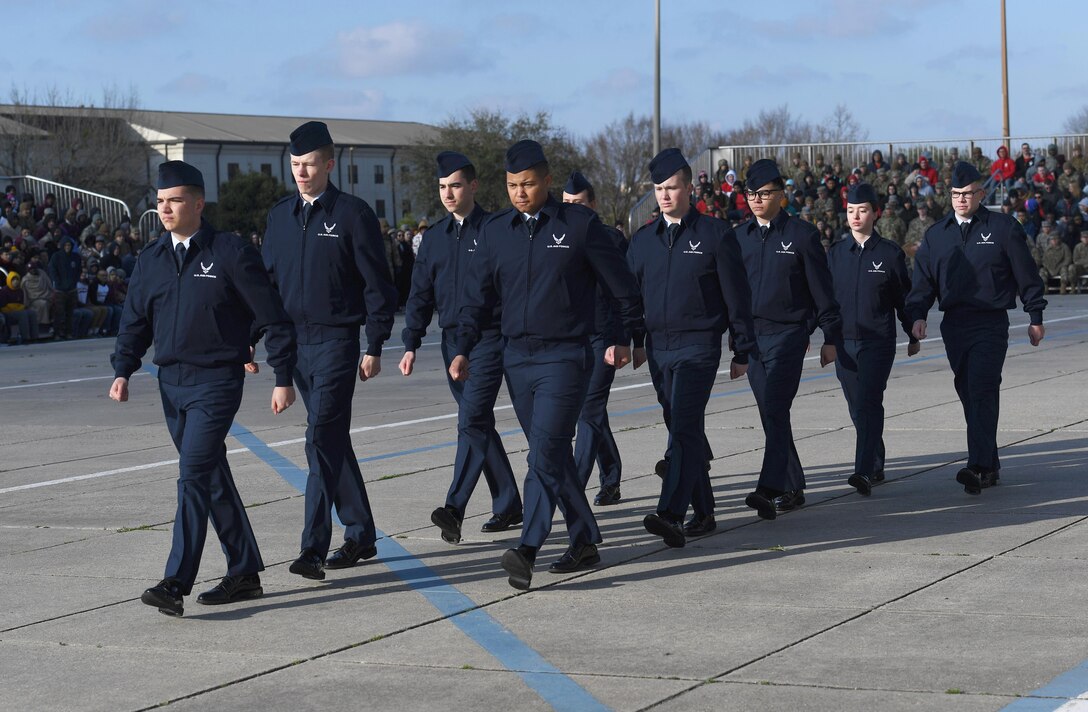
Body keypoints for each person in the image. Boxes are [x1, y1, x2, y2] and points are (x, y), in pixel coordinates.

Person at [449, 140, 642, 590]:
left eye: (529, 184)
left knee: (542, 452)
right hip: (517, 359)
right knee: (553, 454)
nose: (520, 192)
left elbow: (623, 287)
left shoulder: (579, 226)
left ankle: (528, 547)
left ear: (547, 181)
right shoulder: (496, 232)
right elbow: (478, 300)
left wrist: (625, 337)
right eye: (513, 185)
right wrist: (461, 347)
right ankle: (585, 538)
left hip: (565, 357)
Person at [110, 161, 297, 616]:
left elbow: (270, 313)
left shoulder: (229, 252)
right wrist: (123, 369)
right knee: (210, 476)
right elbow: (134, 321)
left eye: (174, 200)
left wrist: (283, 375)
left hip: (216, 381)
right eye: (159, 202)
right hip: (171, 383)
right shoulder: (151, 260)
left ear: (197, 203)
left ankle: (175, 582)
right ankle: (245, 571)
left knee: (192, 475)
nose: (165, 209)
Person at [258, 121, 399, 580]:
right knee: (332, 439)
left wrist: (374, 343)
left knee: (318, 439)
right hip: (295, 346)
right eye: (295, 165)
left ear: (329, 164)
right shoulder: (279, 218)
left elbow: (379, 286)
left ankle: (313, 549)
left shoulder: (353, 215)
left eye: (309, 164)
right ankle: (360, 535)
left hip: (338, 341)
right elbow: (266, 289)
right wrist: (252, 339)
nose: (300, 173)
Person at [627, 149, 755, 547]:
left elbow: (737, 296)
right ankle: (705, 510)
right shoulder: (643, 241)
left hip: (699, 346)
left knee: (682, 426)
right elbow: (630, 297)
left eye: (672, 188)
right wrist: (634, 341)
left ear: (689, 188)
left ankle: (671, 513)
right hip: (658, 348)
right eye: (659, 189)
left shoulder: (715, 235)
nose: (665, 196)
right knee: (683, 428)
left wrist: (742, 348)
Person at [399, 151, 523, 544]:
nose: (448, 194)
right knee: (478, 424)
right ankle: (508, 504)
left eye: (454, 185)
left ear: (473, 185)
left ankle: (454, 508)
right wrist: (411, 342)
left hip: (488, 339)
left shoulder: (495, 230)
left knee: (470, 420)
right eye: (442, 187)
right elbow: (419, 294)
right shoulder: (433, 237)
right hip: (451, 340)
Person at [907, 161, 1046, 495]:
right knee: (968, 392)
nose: (961, 200)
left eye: (968, 194)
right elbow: (922, 283)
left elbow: (1026, 274)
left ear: (981, 193)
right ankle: (991, 462)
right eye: (956, 194)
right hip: (954, 324)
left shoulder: (1002, 228)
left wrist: (1035, 316)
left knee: (982, 387)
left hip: (990, 322)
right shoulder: (936, 235)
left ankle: (979, 466)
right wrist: (916, 315)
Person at [735, 159, 842, 520]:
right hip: (752, 339)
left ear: (781, 195)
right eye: (751, 194)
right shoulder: (738, 238)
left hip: (789, 335)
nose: (756, 200)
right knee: (770, 413)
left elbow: (821, 290)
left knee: (776, 406)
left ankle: (770, 487)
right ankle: (793, 484)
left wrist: (830, 335)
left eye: (764, 193)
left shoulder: (801, 235)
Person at [828, 184, 919, 496]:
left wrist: (912, 331)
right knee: (857, 408)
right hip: (844, 343)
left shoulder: (889, 254)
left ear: (875, 213)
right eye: (851, 210)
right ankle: (876, 460)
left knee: (868, 402)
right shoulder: (837, 254)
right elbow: (825, 301)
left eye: (863, 210)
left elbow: (903, 298)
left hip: (877, 341)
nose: (856, 216)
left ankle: (863, 471)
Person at [561, 171, 628, 507]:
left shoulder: (612, 241)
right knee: (592, 412)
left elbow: (624, 295)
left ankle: (574, 487)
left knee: (589, 409)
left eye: (579, 203)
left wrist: (622, 338)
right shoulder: (556, 238)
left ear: (594, 204)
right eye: (567, 204)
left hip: (604, 337)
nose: (572, 209)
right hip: (571, 338)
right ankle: (612, 476)